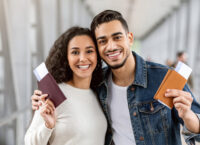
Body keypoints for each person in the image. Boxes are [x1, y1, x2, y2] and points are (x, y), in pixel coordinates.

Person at [32, 10, 200, 145]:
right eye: (102, 41)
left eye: (117, 37)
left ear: (130, 38)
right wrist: (42, 101)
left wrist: (189, 117)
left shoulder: (165, 77)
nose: (111, 46)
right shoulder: (97, 84)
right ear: (97, 47)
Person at [24, 27, 107, 145]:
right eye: (75, 52)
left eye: (89, 51)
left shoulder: (99, 93)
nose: (83, 58)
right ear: (66, 58)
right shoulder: (54, 94)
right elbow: (29, 142)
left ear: (97, 56)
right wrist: (48, 126)